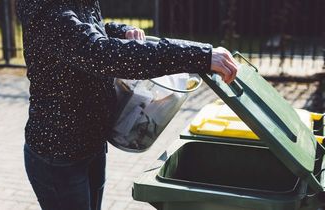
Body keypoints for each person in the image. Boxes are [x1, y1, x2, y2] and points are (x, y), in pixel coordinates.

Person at [16, 0, 238, 209]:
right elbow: (100, 53)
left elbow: (92, 30)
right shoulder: (46, 9)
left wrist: (120, 31)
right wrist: (199, 56)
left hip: (92, 141)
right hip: (59, 154)